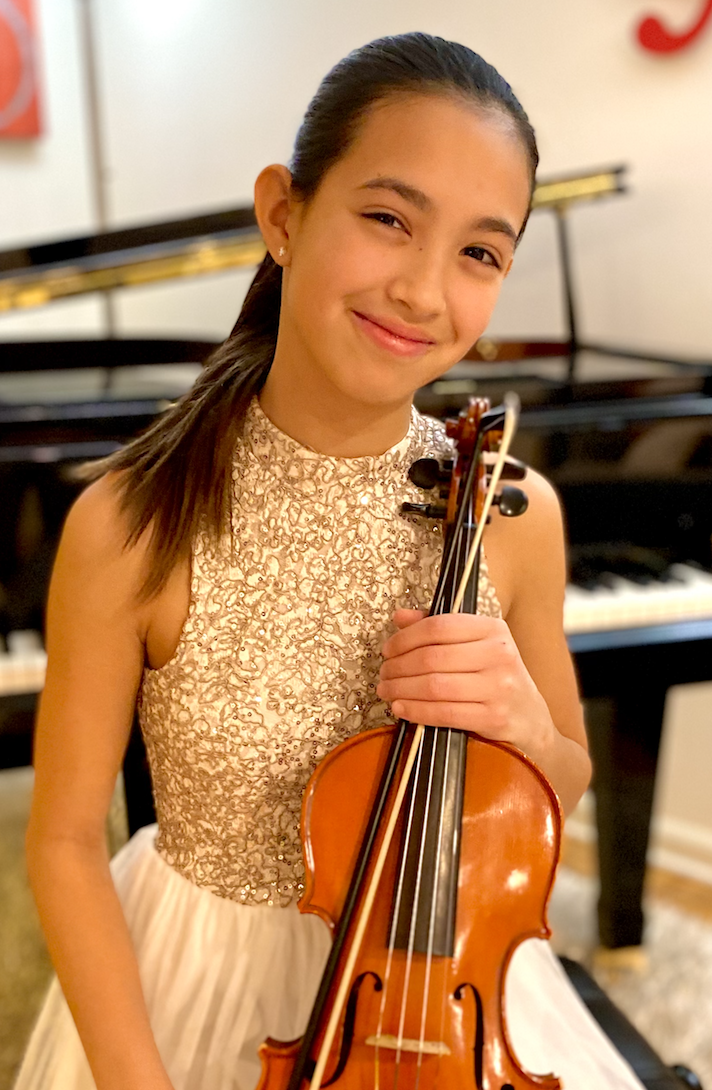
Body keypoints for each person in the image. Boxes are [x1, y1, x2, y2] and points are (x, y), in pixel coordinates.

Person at [16, 31, 645, 1090]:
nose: (421, 290)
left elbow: (565, 776)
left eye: (479, 253)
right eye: (388, 219)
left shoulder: (512, 512)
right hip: (198, 982)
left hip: (448, 992)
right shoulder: (129, 524)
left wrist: (523, 725)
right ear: (283, 213)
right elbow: (66, 840)